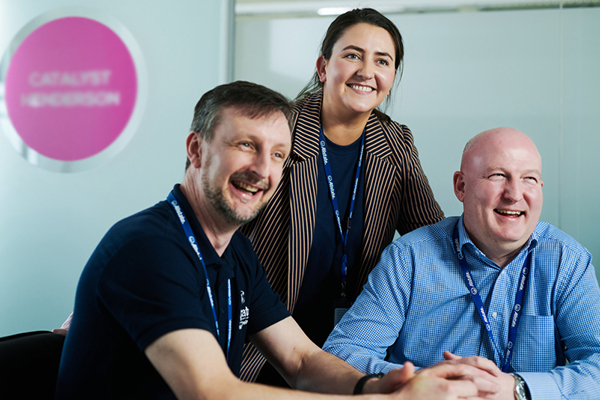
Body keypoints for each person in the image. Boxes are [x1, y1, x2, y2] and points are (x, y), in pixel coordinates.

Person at [54, 81, 500, 399]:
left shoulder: (235, 251)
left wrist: (380, 384)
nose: (264, 170)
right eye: (246, 145)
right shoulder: (149, 247)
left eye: (279, 155)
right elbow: (212, 391)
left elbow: (302, 361)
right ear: (196, 150)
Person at [240, 8, 444, 384]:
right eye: (352, 55)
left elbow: (433, 238)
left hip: (353, 353)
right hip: (265, 349)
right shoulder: (279, 131)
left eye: (381, 61)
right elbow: (226, 230)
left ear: (392, 76)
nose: (367, 71)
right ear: (323, 67)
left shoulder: (395, 144)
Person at [323, 127, 600, 399]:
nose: (514, 194)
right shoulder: (409, 258)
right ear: (461, 186)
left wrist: (516, 388)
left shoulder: (567, 261)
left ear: (540, 188)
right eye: (498, 175)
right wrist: (424, 382)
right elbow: (342, 353)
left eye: (529, 178)